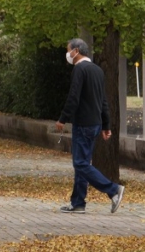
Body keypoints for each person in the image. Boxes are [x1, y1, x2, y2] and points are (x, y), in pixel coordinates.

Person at [56, 38, 125, 214]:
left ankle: (113, 189)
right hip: (95, 124)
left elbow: (73, 97)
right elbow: (103, 100)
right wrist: (106, 124)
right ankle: (78, 202)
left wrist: (62, 119)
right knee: (83, 163)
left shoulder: (80, 69)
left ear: (76, 51)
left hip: (83, 123)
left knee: (80, 164)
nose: (68, 54)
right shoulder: (97, 70)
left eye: (68, 50)